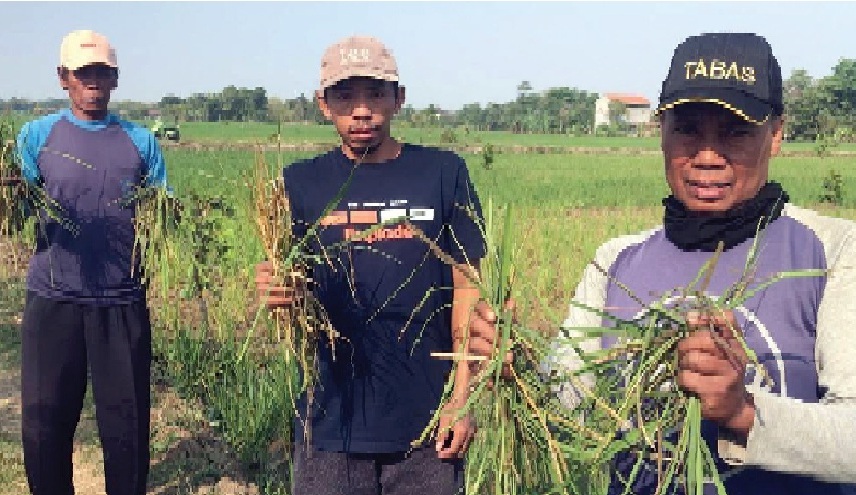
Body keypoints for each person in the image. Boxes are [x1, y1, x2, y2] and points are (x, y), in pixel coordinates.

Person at [466, 32, 856, 494]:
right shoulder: (615, 262)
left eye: (736, 131)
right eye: (688, 129)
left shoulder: (833, 251)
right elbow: (568, 409)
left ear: (775, 136)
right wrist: (517, 374)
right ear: (662, 133)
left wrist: (742, 412)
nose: (708, 156)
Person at [255, 35, 485, 494]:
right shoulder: (299, 183)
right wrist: (277, 288)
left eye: (376, 93)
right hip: (329, 425)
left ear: (399, 98)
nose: (362, 110)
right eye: (345, 95)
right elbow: (289, 286)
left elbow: (467, 290)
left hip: (425, 428)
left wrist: (462, 397)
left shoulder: (443, 174)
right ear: (323, 103)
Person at [16, 29, 168, 495]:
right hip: (53, 296)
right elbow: (21, 205)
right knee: (45, 423)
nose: (93, 82)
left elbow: (161, 213)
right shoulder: (36, 135)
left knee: (126, 427)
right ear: (64, 79)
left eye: (102, 73)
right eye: (83, 74)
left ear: (116, 78)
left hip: (120, 301)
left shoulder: (140, 142)